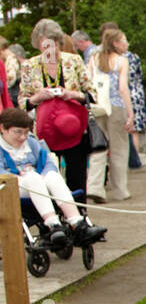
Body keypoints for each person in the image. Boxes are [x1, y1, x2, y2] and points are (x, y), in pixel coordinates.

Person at [0, 108, 106, 250]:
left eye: (25, 132)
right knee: (33, 178)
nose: (22, 137)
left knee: (53, 176)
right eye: (17, 132)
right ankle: (53, 224)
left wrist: (45, 174)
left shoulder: (31, 142)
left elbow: (47, 162)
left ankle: (77, 224)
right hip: (14, 186)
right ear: (3, 129)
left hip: (38, 183)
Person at [19, 19, 91, 195]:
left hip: (73, 127)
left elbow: (90, 94)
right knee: (49, 175)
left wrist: (71, 94)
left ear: (58, 42)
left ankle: (80, 213)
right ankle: (56, 215)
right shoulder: (30, 65)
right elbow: (22, 102)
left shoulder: (73, 61)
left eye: (52, 45)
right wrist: (37, 97)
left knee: (77, 174)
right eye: (44, 46)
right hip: (46, 130)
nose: (49, 50)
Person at [85, 28, 133, 203]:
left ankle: (95, 186)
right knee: (119, 149)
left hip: (99, 107)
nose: (126, 44)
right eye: (124, 40)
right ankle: (120, 190)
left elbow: (88, 82)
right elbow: (123, 88)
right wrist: (130, 113)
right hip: (117, 106)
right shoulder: (122, 61)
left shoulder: (93, 58)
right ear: (115, 43)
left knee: (99, 146)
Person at [121, 34, 146, 168]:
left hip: (122, 93)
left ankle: (129, 160)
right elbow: (139, 76)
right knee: (134, 130)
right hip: (135, 93)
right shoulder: (134, 57)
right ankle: (135, 160)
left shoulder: (114, 58)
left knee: (126, 130)